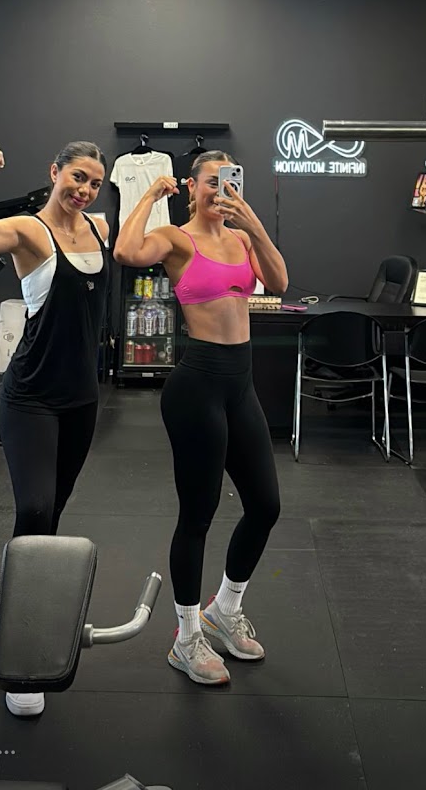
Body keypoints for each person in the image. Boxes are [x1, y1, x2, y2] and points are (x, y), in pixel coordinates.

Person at [0, 141, 109, 716]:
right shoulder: (29, 232)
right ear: (54, 172)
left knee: (52, 516)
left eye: (94, 183)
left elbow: (141, 246)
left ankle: (35, 617)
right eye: (77, 177)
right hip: (31, 397)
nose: (84, 190)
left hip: (82, 400)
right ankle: (17, 651)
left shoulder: (101, 228)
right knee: (34, 511)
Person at [113, 151, 288, 686]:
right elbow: (125, 252)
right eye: (212, 182)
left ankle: (224, 610)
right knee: (199, 514)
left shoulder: (241, 239)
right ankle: (186, 637)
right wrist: (151, 194)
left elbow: (279, 281)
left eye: (230, 181)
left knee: (265, 505)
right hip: (197, 388)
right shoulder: (177, 240)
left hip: (240, 386)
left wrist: (252, 223)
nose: (221, 190)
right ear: (192, 186)